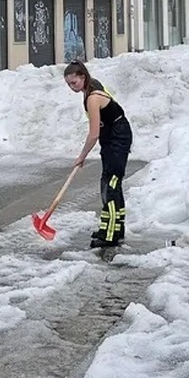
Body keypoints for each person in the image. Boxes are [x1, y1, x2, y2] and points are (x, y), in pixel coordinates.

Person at [64, 61, 133, 248]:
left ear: (83, 77)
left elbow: (93, 133)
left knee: (110, 185)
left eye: (74, 83)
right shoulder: (91, 87)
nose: (72, 87)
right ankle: (114, 229)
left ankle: (110, 236)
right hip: (113, 136)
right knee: (111, 183)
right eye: (69, 84)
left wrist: (82, 156)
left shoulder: (93, 98)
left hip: (117, 138)